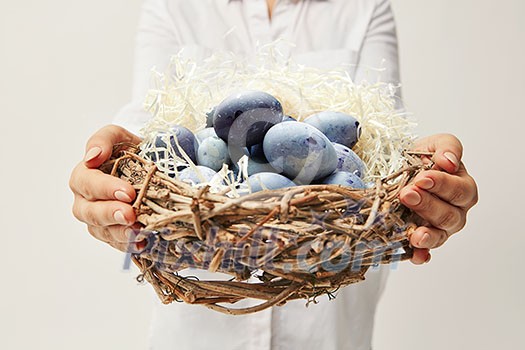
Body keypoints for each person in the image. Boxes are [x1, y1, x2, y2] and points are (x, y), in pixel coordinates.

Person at [69, 0, 478, 349]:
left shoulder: (363, 7)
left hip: (330, 329)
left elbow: (381, 143)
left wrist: (424, 184)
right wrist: (113, 183)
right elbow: (153, 133)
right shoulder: (174, 6)